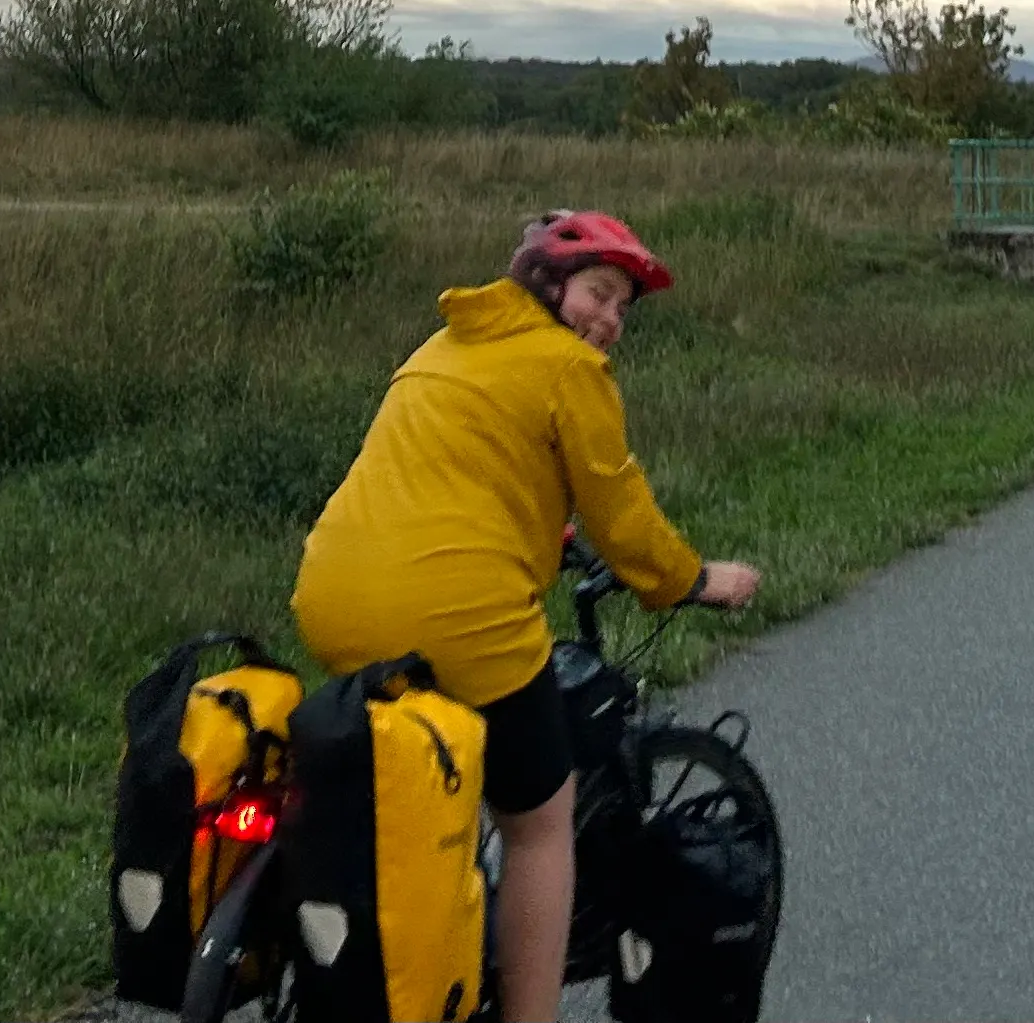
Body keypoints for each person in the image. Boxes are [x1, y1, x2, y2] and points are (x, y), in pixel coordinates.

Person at [291, 208, 762, 1023]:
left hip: (333, 601)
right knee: (542, 822)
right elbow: (625, 517)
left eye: (623, 307)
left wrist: (544, 524)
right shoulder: (568, 369)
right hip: (461, 619)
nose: (609, 319)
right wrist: (689, 580)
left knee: (403, 791)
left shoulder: (441, 347)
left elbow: (463, 473)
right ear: (548, 285)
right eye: (598, 292)